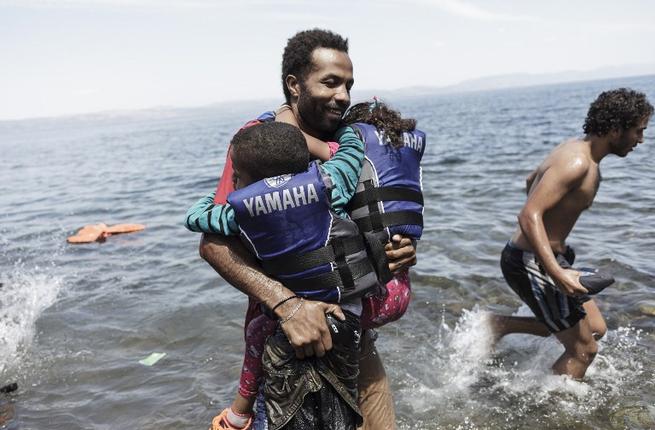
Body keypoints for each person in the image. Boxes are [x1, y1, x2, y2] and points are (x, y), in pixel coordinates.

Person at [197, 29, 416, 429]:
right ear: (294, 85)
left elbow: (364, 226)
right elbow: (213, 244)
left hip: (353, 336)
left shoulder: (349, 140)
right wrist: (287, 305)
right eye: (330, 82)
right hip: (288, 344)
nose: (344, 96)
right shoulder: (257, 147)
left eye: (349, 84)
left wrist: (398, 254)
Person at [490, 88, 653, 379]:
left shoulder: (577, 151)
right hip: (530, 262)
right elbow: (529, 214)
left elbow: (531, 180)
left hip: (546, 257)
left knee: (595, 329)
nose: (641, 140)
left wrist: (555, 243)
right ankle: (546, 412)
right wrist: (556, 272)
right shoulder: (576, 163)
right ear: (616, 130)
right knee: (584, 350)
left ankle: (500, 325)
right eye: (638, 131)